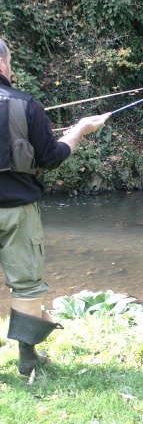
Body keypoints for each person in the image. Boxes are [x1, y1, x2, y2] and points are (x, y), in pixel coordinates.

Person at [0, 38, 111, 375]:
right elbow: (50, 158)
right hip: (18, 211)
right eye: (10, 59)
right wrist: (78, 131)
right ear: (2, 62)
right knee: (27, 284)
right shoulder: (25, 104)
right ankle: (27, 359)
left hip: (18, 208)